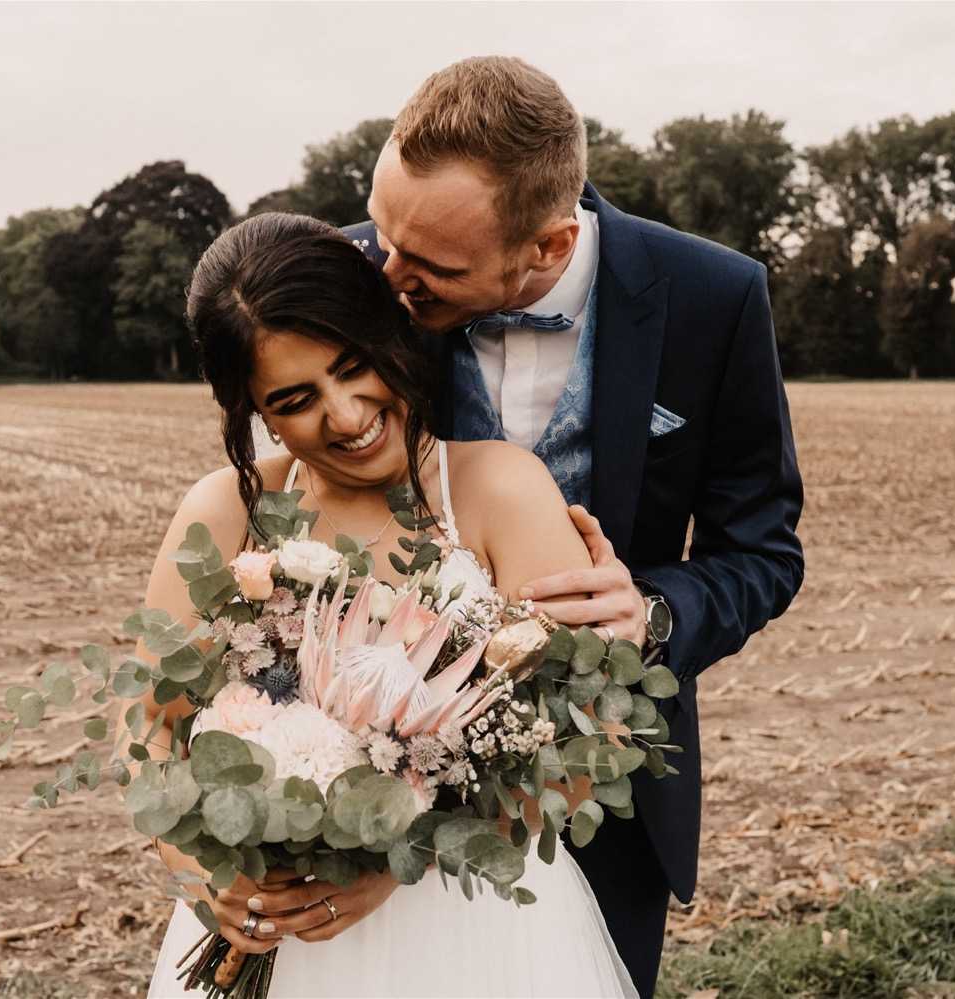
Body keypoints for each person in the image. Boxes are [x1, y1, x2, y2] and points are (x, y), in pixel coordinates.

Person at [339, 57, 806, 998]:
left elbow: (763, 550)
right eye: (383, 229)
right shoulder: (346, 276)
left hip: (606, 802)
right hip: (371, 778)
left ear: (548, 246)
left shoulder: (715, 298)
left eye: (431, 266)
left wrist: (654, 613)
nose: (388, 275)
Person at [141, 212, 638, 997]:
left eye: (353, 365)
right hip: (280, 939)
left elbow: (588, 748)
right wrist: (206, 875)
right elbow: (150, 737)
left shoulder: (499, 490)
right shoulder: (224, 514)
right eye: (297, 397)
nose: (344, 414)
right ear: (255, 412)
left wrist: (406, 856)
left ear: (391, 336)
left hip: (472, 933)